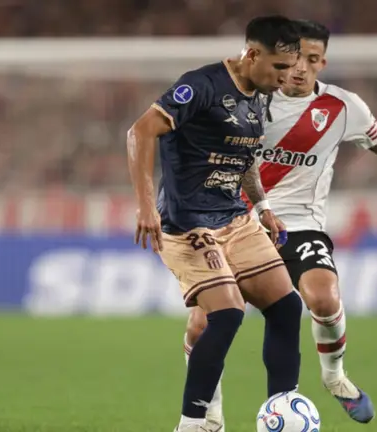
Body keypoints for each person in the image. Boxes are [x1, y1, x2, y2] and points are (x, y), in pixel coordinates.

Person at [184, 20, 377, 427]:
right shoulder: (252, 99)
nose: (301, 68)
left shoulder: (344, 107)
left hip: (299, 225)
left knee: (324, 298)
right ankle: (210, 417)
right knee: (202, 325)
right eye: (296, 58)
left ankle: (334, 377)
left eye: (312, 59)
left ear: (323, 63)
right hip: (237, 223)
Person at [127, 15, 303, 432]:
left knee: (287, 306)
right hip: (188, 225)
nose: (285, 78)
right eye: (279, 67)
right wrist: (146, 206)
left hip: (236, 220)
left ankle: (282, 415)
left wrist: (263, 207)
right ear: (253, 54)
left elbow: (245, 158)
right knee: (227, 314)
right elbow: (140, 131)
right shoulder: (202, 85)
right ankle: (193, 425)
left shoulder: (260, 96)